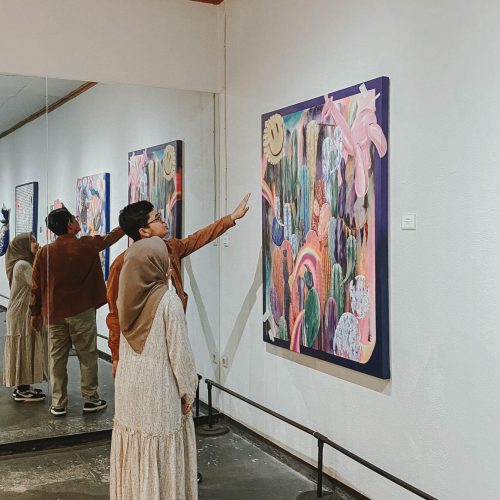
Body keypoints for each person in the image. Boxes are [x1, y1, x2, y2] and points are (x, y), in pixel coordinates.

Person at [106, 193, 250, 376]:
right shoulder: (122, 264)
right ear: (144, 231)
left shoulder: (170, 248)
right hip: (144, 342)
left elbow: (197, 239)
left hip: (172, 334)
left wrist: (231, 218)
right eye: (157, 218)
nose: (163, 221)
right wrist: (116, 355)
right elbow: (115, 314)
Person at [110, 237, 198, 500]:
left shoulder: (125, 297)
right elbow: (180, 355)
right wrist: (188, 392)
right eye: (165, 260)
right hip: (158, 391)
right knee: (159, 454)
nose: (170, 266)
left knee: (134, 451)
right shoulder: (168, 301)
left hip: (128, 390)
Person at [30, 207, 125, 416]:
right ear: (69, 224)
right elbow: (109, 239)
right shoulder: (86, 245)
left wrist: (35, 313)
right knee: (87, 356)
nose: (76, 220)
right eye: (73, 218)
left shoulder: (45, 252)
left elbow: (35, 286)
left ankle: (58, 403)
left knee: (56, 358)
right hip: (82, 310)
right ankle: (91, 399)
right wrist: (125, 226)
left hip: (54, 313)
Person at [3, 232, 46, 402]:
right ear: (22, 247)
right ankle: (21, 389)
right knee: (22, 346)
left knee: (25, 346)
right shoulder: (22, 265)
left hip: (22, 311)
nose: (36, 243)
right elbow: (38, 284)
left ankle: (24, 386)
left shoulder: (26, 263)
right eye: (32, 241)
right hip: (21, 313)